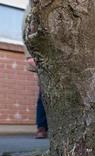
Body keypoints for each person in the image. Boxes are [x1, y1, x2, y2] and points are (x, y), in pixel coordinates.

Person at [23, 3, 48, 139]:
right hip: (41, 55)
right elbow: (26, 28)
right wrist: (29, 55)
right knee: (43, 93)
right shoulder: (33, 4)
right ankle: (41, 127)